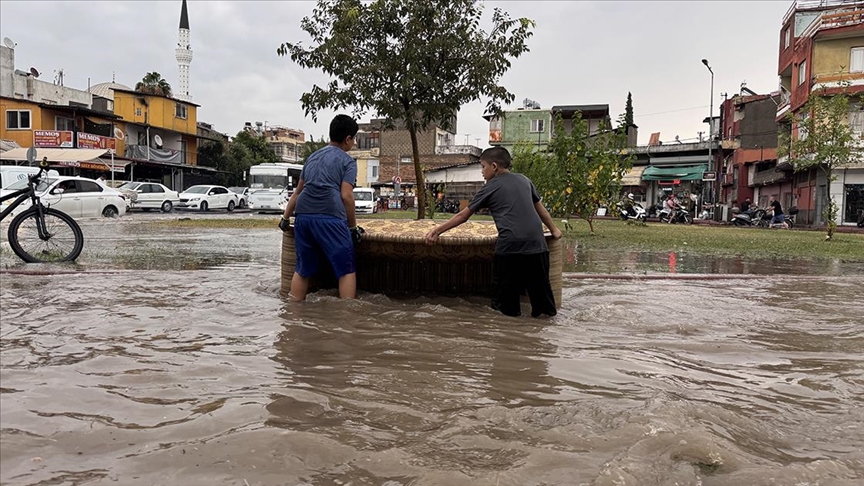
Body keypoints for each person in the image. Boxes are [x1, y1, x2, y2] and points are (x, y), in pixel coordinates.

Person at [425, 146, 563, 318]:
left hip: (510, 248)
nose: (482, 172)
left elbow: (463, 216)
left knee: (505, 308)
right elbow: (541, 210)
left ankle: (504, 338)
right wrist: (554, 230)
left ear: (494, 166)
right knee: (543, 304)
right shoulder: (524, 180)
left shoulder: (490, 187)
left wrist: (437, 231)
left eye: (483, 166)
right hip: (537, 247)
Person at [279, 114, 362, 301]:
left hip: (303, 217)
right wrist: (353, 227)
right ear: (347, 139)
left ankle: (293, 314)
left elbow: (298, 192)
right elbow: (346, 196)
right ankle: (347, 318)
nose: (354, 143)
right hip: (330, 216)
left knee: (302, 269)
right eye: (354, 139)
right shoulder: (348, 162)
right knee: (346, 269)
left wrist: (285, 218)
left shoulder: (312, 157)